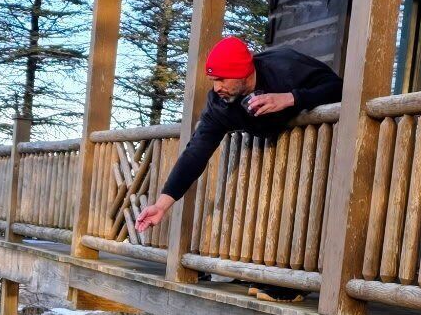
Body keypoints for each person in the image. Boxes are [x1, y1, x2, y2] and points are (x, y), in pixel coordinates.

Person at [131, 36, 343, 235]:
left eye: (222, 79)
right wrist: (161, 205)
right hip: (285, 173)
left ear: (243, 71)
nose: (217, 87)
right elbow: (195, 152)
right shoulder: (218, 103)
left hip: (332, 154)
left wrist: (291, 98)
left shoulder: (286, 66)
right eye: (213, 80)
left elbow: (340, 88)